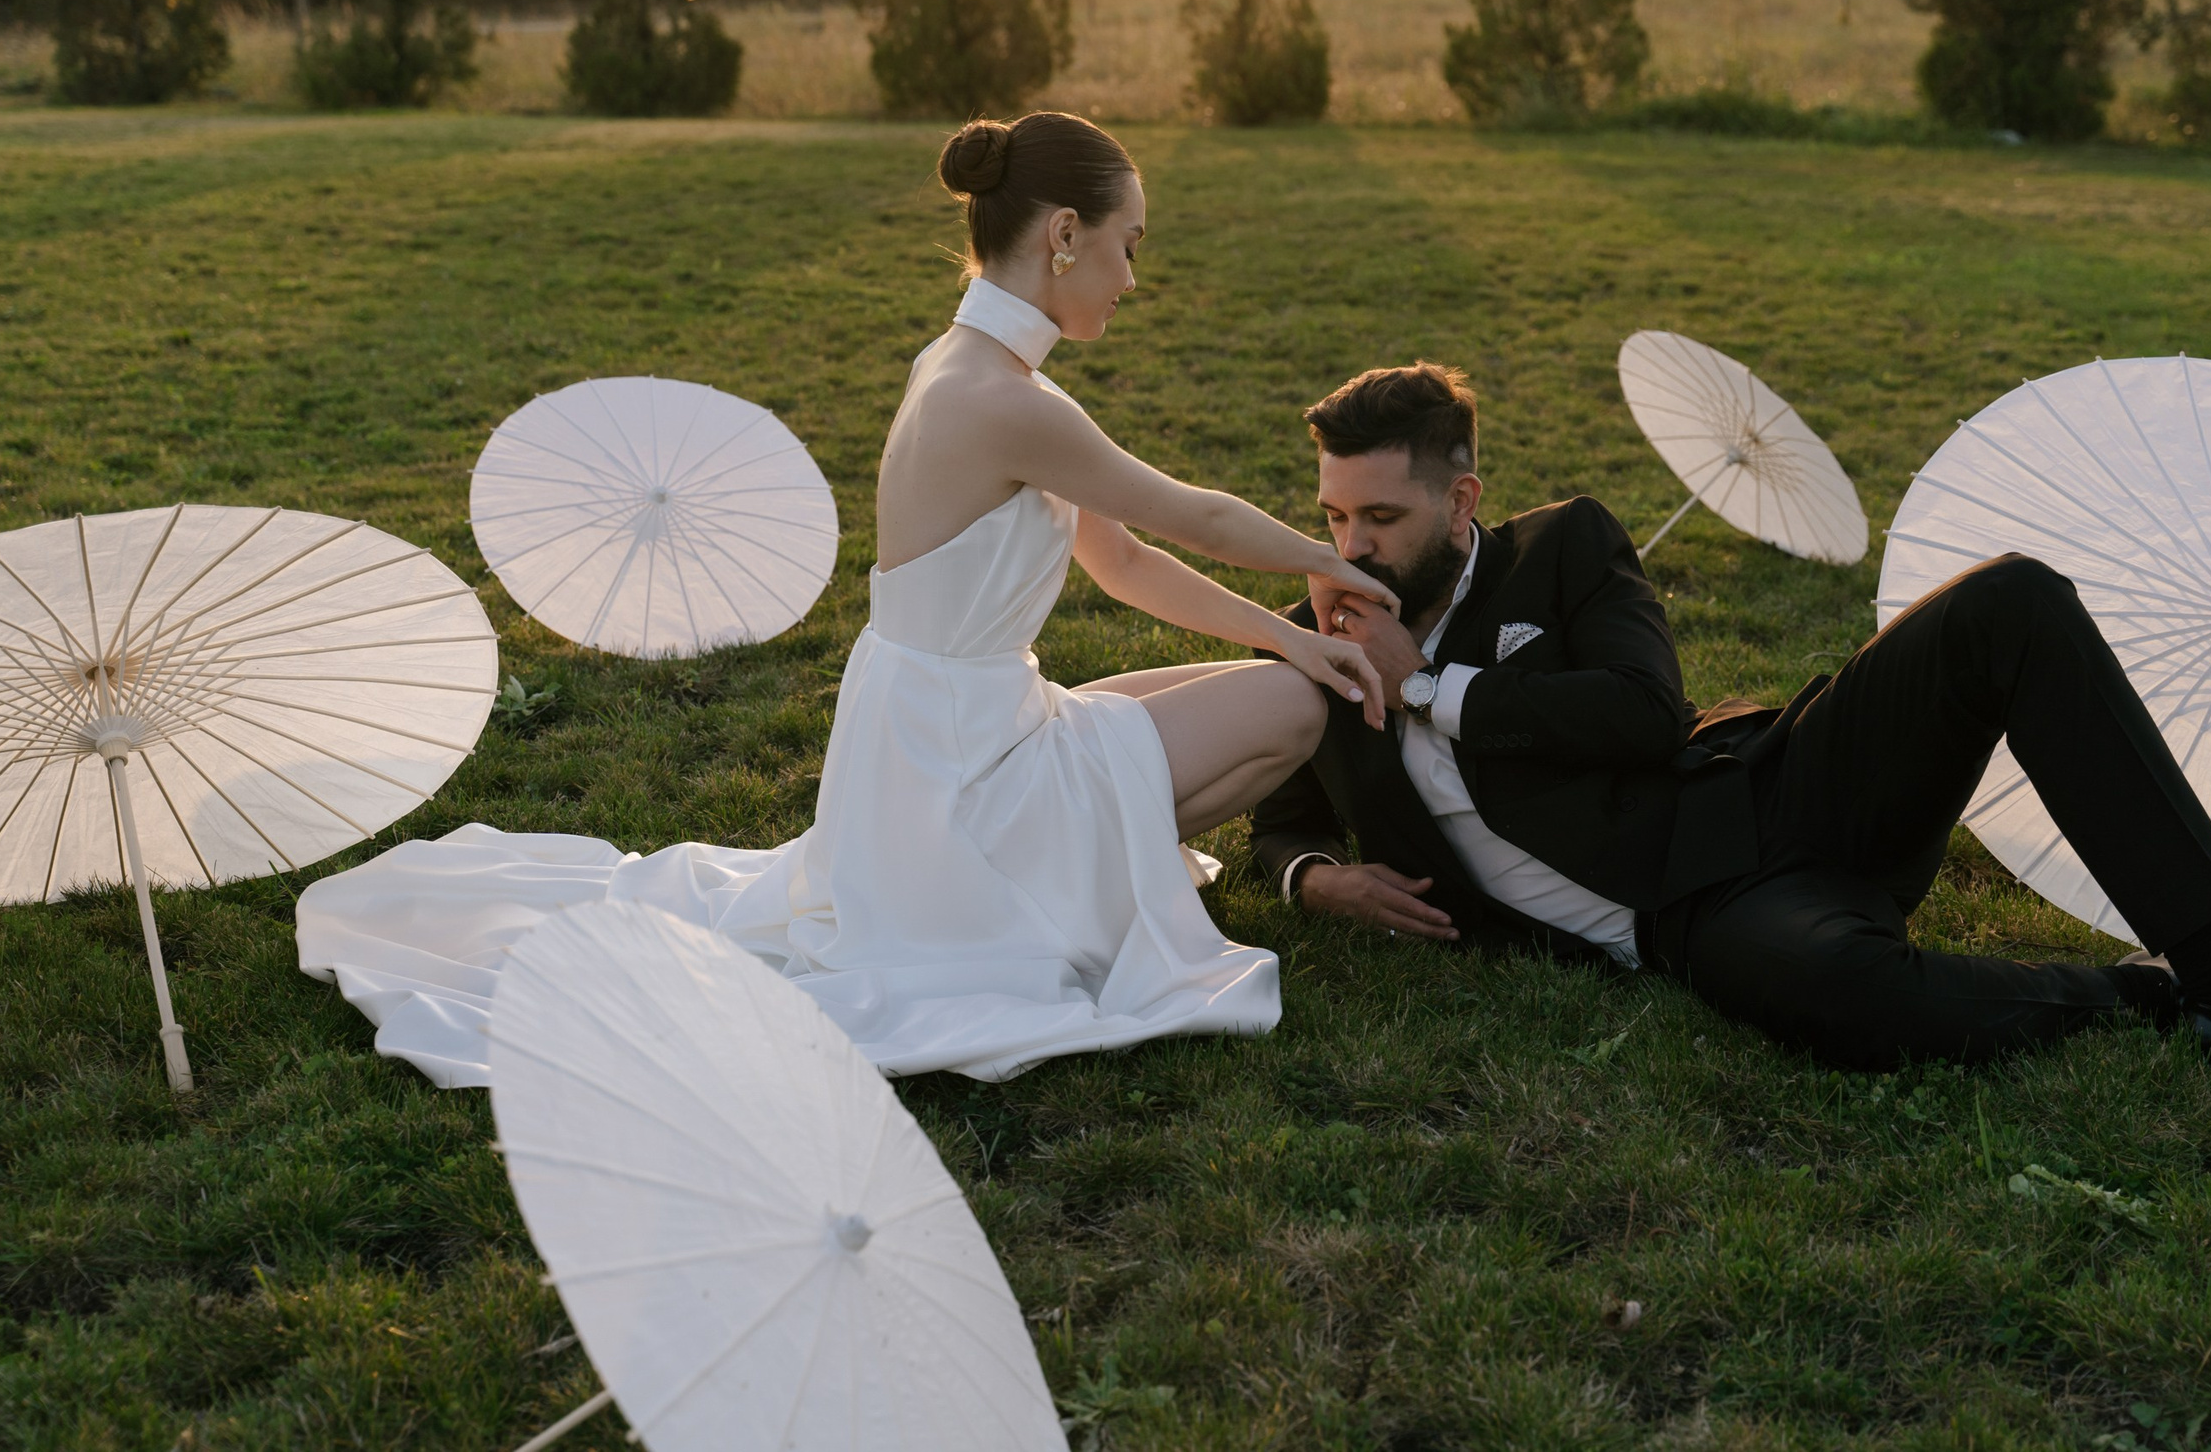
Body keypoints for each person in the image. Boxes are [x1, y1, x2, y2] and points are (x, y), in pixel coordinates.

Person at [298, 112, 1397, 1083]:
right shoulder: (1001, 399)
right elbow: (1189, 516)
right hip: (956, 766)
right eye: (1128, 245)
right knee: (1294, 712)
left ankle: (1065, 865)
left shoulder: (971, 366)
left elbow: (1119, 562)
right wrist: (1341, 572)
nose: (1132, 276)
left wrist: (1283, 634)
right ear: (1064, 232)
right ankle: (1057, 890)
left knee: (1268, 681)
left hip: (946, 730)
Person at [1251, 362, 2211, 1091]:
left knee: (2009, 603)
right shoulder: (1315, 632)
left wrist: (1425, 684)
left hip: (1765, 788)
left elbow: (1638, 715)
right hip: (1692, 921)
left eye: (1380, 517)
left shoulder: (1557, 547)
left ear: (1458, 500)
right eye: (1332, 516)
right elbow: (1279, 809)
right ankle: (2156, 996)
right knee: (1842, 997)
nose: (1350, 548)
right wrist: (1312, 881)